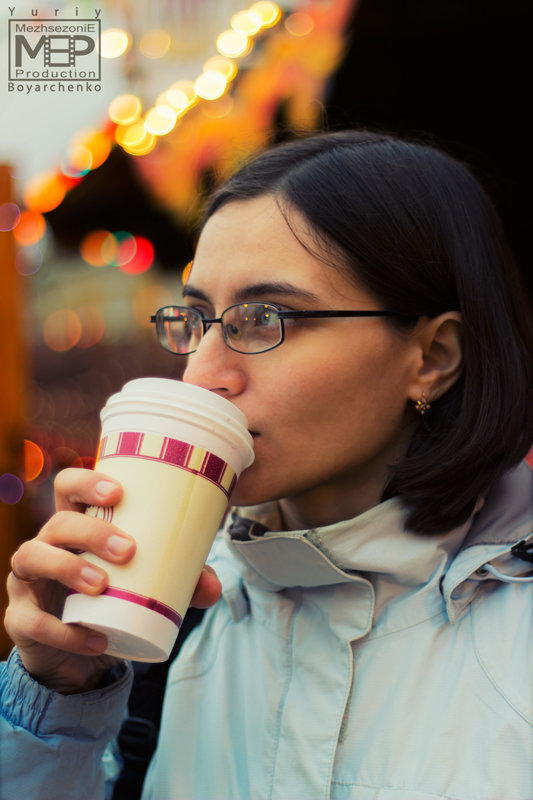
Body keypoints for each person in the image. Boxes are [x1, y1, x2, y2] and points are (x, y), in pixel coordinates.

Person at [1, 129, 532, 800]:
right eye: (196, 319)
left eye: (263, 318)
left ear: (430, 358)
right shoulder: (177, 615)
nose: (201, 375)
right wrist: (56, 695)